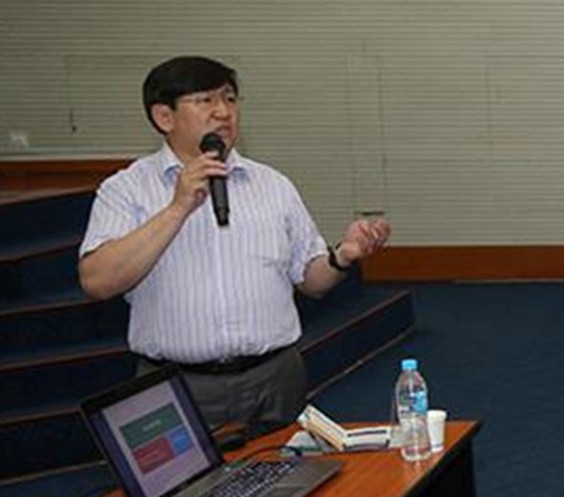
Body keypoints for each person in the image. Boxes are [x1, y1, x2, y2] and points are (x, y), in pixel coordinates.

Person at [78, 56, 390, 431]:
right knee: (184, 475)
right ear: (164, 117)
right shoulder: (126, 190)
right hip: (177, 385)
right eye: (205, 100)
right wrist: (178, 208)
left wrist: (342, 256)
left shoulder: (273, 185)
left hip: (275, 379)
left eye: (229, 98)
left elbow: (311, 281)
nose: (223, 113)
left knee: (289, 469)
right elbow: (97, 281)